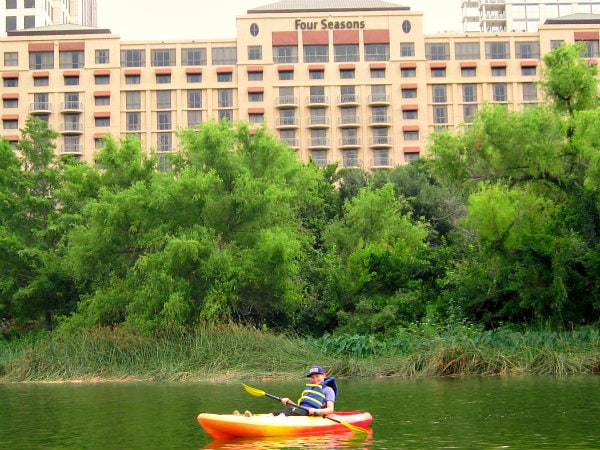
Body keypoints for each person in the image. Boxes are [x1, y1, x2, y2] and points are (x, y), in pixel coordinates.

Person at [271, 365, 337, 417]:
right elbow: (299, 408)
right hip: (301, 411)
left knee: (283, 415)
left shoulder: (328, 390)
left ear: (324, 375)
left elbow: (330, 410)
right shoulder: (310, 389)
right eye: (312, 377)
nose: (315, 379)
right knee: (273, 414)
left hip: (312, 413)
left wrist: (315, 410)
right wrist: (289, 402)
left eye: (317, 376)